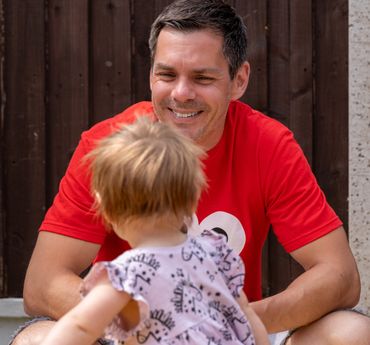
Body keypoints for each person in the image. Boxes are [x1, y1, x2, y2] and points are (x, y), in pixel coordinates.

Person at [11, 0, 370, 345]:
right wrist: (147, 331)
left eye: (202, 78)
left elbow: (339, 276)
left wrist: (224, 326)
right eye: (167, 74)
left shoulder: (267, 144)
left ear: (239, 80)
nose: (181, 93)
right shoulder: (109, 146)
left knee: (353, 334)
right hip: (127, 337)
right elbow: (42, 284)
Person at [38, 118, 269, 345]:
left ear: (108, 212)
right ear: (192, 202)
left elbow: (81, 325)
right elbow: (246, 316)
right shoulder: (215, 253)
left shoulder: (128, 275)